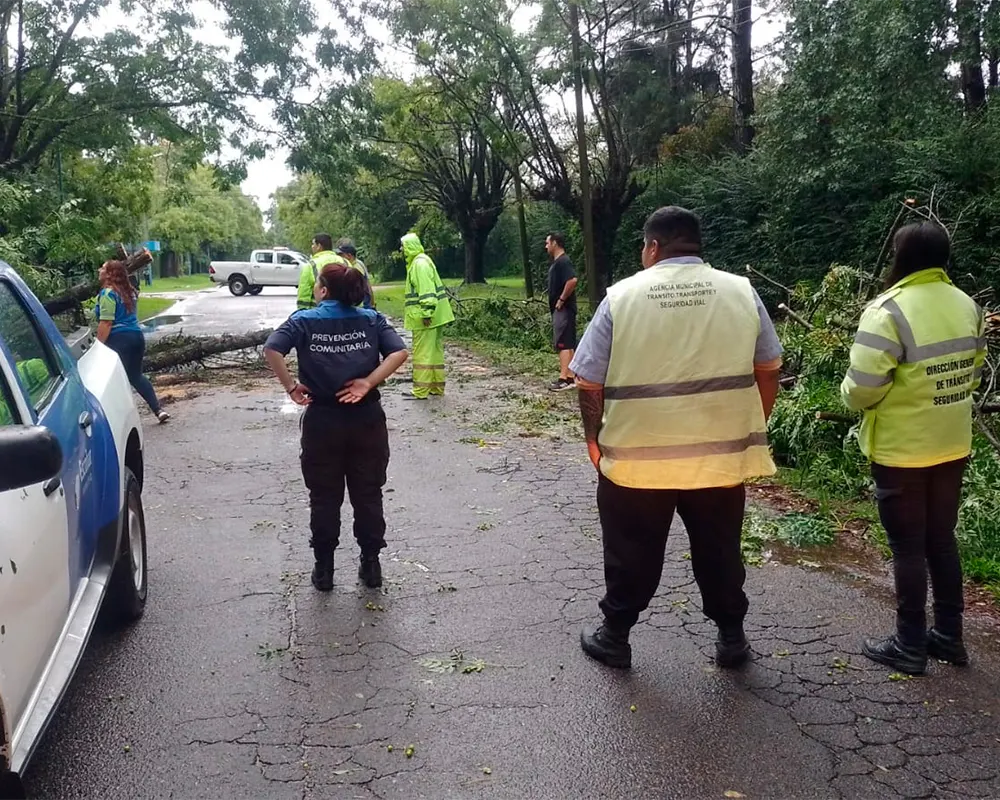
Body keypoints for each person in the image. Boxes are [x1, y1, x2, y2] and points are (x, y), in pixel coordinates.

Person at [571, 206, 782, 670]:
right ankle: (731, 638)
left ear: (651, 247)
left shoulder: (621, 297)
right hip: (719, 462)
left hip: (635, 463)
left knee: (631, 551)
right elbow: (768, 368)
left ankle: (616, 636)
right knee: (719, 548)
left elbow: (588, 380)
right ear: (695, 244)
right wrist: (749, 427)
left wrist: (594, 440)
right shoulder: (741, 293)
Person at [841, 221, 987, 676]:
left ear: (899, 257)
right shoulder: (968, 305)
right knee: (940, 540)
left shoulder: (888, 311)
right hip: (952, 442)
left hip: (903, 449)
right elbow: (974, 372)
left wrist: (849, 395)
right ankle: (948, 636)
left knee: (907, 546)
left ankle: (908, 644)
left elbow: (861, 389)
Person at [265, 263, 409, 591]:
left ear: (324, 290)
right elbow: (399, 352)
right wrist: (367, 382)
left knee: (324, 495)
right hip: (366, 420)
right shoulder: (371, 320)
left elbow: (272, 348)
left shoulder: (303, 321)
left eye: (318, 284)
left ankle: (324, 570)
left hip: (323, 421)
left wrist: (291, 387)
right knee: (368, 493)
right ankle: (371, 566)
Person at [95, 260, 170, 423]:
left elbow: (106, 322)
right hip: (137, 337)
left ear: (109, 274)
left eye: (103, 268)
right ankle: (158, 409)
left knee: (114, 380)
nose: (99, 270)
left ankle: (118, 419)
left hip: (119, 340)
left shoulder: (108, 294)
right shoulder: (130, 292)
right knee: (136, 376)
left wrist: (98, 346)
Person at [401, 233, 454, 399]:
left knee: (422, 353)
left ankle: (420, 390)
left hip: (426, 317)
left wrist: (426, 312)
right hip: (436, 316)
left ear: (409, 246)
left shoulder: (419, 265)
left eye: (403, 246)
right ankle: (436, 387)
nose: (401, 250)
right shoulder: (424, 261)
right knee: (435, 353)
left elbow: (426, 291)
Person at [545, 232, 579, 392]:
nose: (546, 246)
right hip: (564, 309)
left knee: (563, 343)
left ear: (555, 243)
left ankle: (563, 378)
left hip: (564, 309)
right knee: (569, 342)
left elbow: (572, 280)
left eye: (547, 243)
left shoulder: (563, 261)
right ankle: (571, 376)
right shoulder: (559, 262)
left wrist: (561, 300)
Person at [297, 233, 348, 310]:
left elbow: (304, 294)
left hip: (318, 315)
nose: (312, 246)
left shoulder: (311, 265)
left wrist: (302, 313)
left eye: (313, 244)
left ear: (319, 246)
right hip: (345, 313)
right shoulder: (345, 262)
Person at [336, 238, 376, 309]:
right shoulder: (358, 263)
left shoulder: (355, 268)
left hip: (360, 307)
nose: (338, 257)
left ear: (349, 256)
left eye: (341, 255)